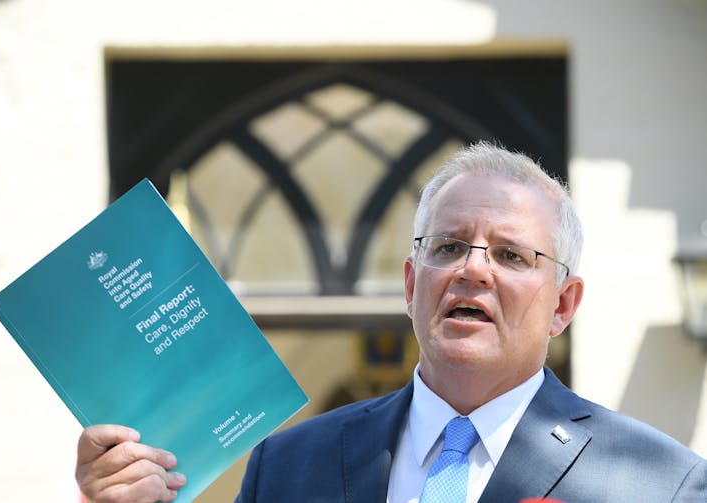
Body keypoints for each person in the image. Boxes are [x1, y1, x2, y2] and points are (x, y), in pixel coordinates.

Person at [76, 142, 707, 502]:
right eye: (448, 246)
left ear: (563, 305)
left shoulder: (659, 482)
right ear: (412, 285)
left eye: (512, 255)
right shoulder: (286, 467)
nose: (473, 270)